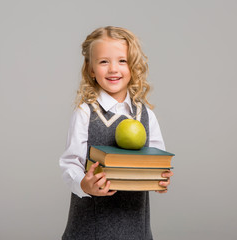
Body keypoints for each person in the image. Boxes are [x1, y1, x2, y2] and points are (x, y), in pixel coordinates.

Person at [59, 26, 173, 240]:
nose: (113, 69)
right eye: (104, 61)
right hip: (90, 229)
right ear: (91, 69)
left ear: (134, 66)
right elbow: (70, 163)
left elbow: (158, 159)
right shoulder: (85, 113)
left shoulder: (146, 114)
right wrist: (84, 184)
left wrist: (160, 178)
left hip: (135, 228)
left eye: (122, 61)